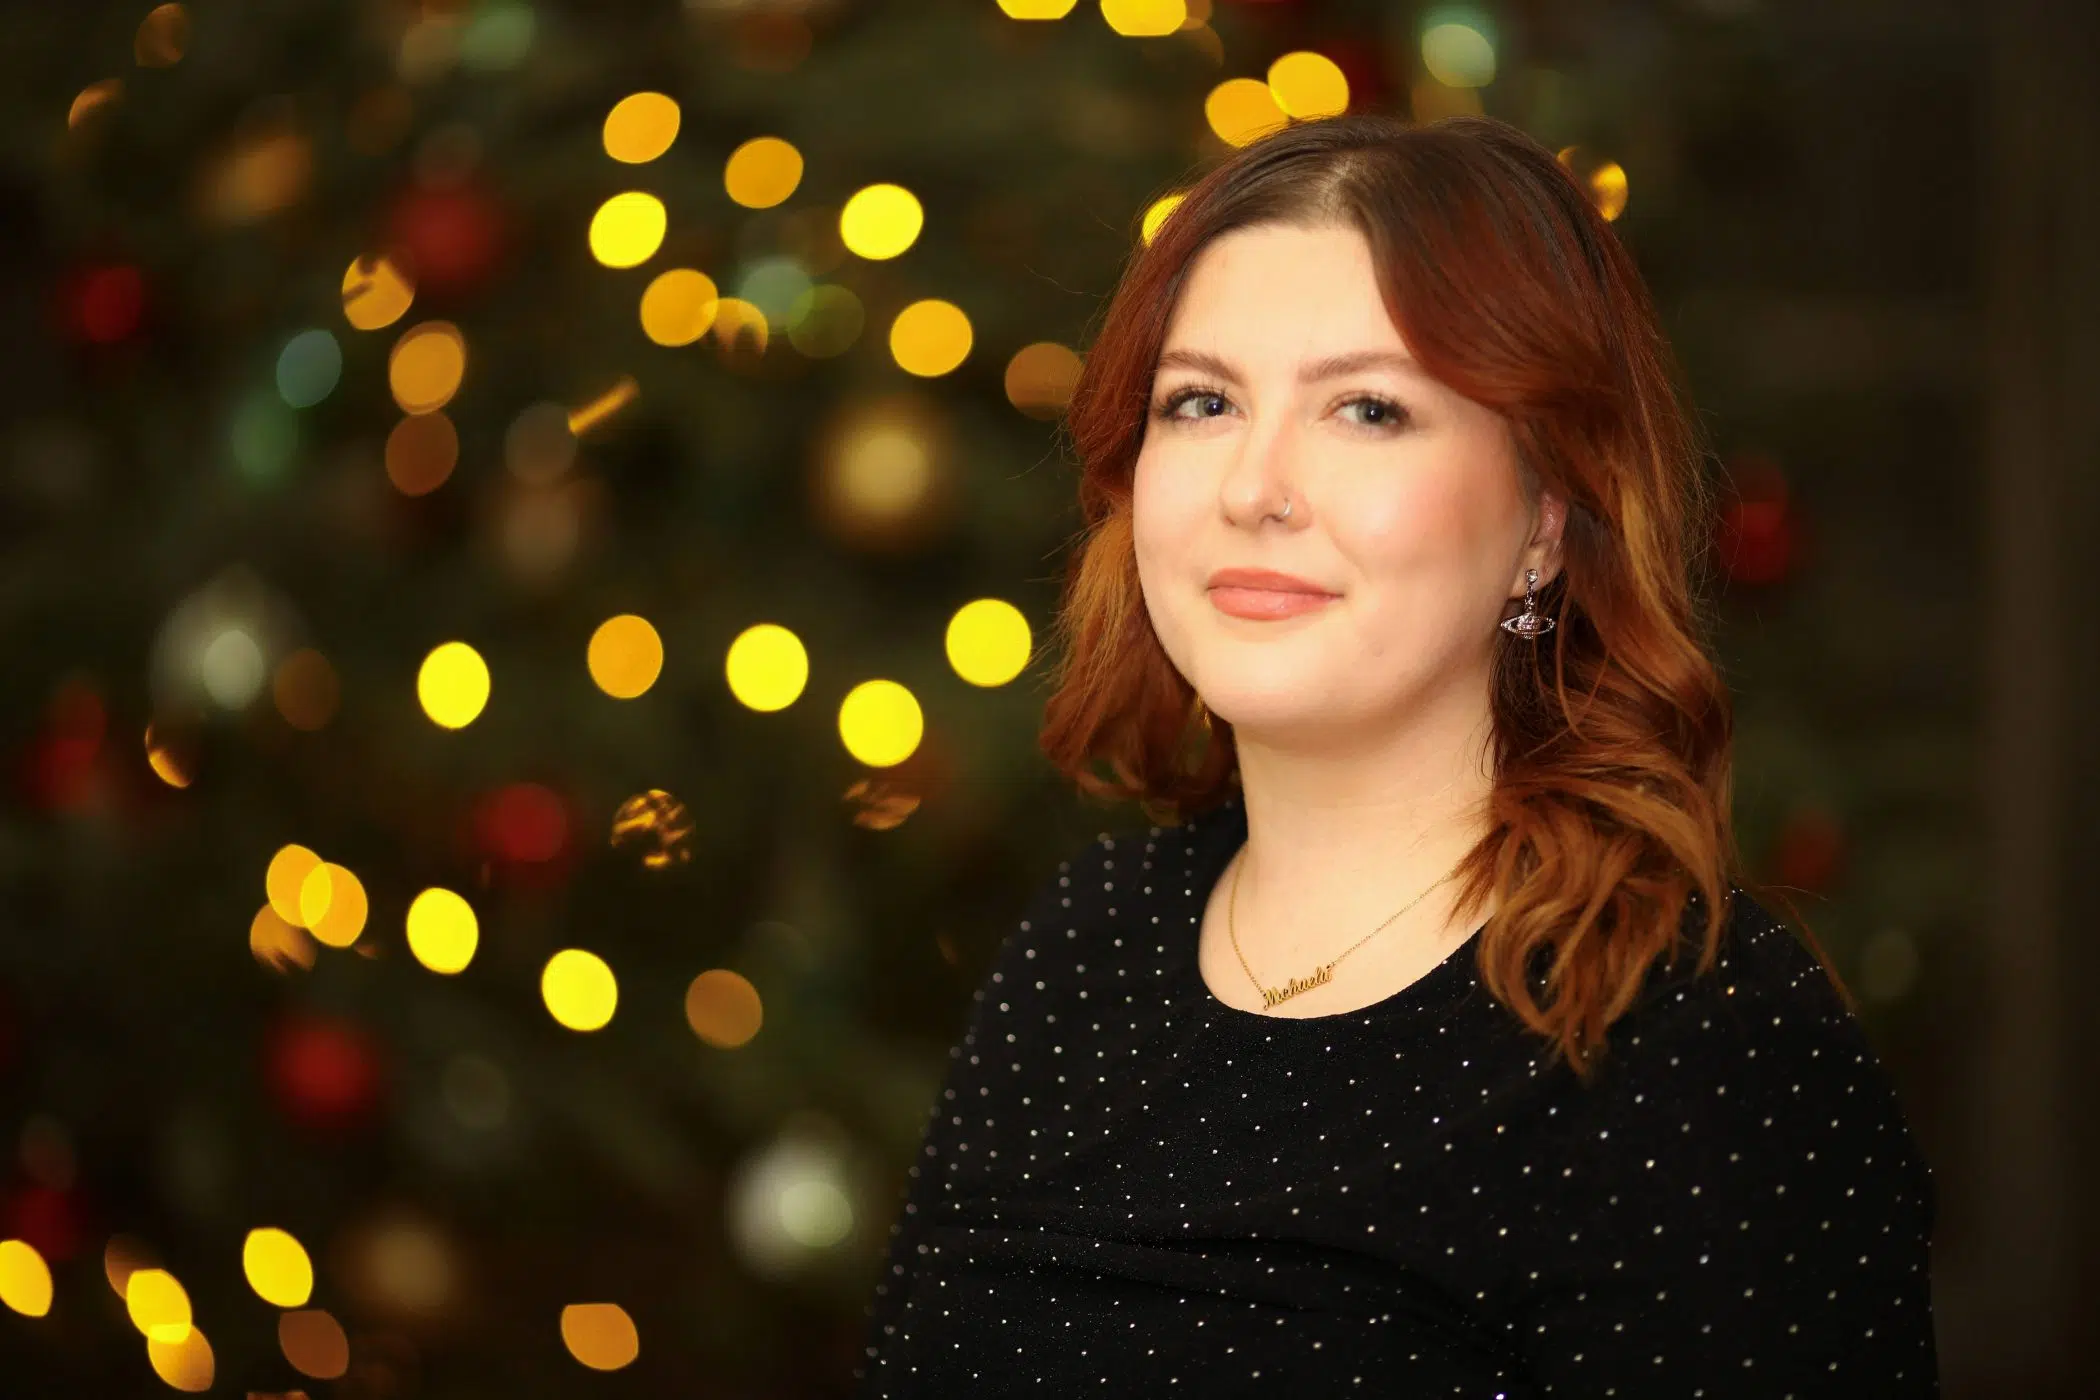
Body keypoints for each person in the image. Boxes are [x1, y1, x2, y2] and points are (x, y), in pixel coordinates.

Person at [851, 112, 1937, 1397]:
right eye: (1201, 401)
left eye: (1368, 409)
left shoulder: (1703, 1042)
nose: (1254, 487)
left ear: (1546, 515)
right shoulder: (1083, 941)